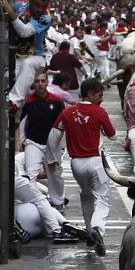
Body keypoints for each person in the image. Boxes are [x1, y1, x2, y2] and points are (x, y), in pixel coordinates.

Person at [46, 77, 117, 257]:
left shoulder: (67, 113)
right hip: (95, 162)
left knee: (86, 195)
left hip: (76, 164)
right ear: (91, 94)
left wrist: (53, 160)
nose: (101, 99)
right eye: (100, 95)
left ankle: (89, 233)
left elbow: (52, 137)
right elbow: (113, 136)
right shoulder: (99, 112)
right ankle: (97, 229)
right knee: (102, 197)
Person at [19, 71, 68, 215]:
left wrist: (59, 141)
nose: (40, 84)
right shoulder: (29, 101)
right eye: (37, 81)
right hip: (33, 143)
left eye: (43, 81)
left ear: (47, 82)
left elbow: (63, 122)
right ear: (34, 83)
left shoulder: (57, 101)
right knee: (31, 174)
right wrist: (21, 140)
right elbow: (21, 121)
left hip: (52, 145)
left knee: (55, 174)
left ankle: (58, 202)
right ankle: (34, 202)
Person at [1, 0, 52, 110]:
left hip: (37, 58)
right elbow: (3, 16)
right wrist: (5, 3)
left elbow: (24, 31)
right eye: (37, 5)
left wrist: (10, 11)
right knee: (7, 77)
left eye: (43, 7)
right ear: (30, 1)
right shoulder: (19, 5)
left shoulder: (46, 18)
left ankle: (14, 101)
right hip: (16, 57)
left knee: (28, 63)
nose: (40, 10)